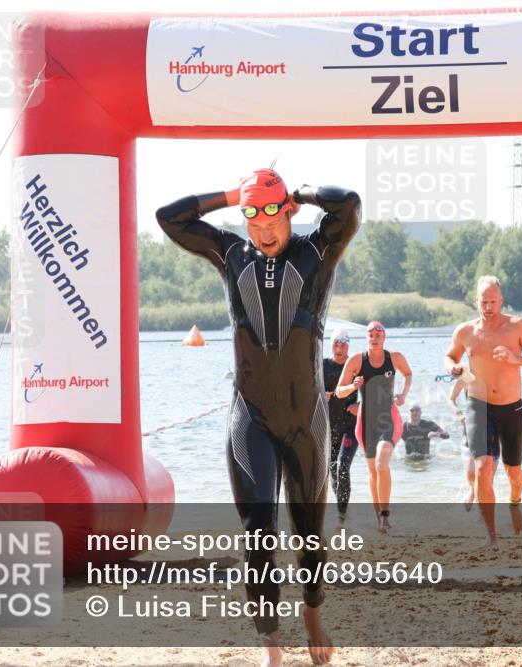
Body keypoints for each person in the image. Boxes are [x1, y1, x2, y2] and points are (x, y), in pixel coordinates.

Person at [156, 168, 359, 667]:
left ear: (287, 213)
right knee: (258, 529)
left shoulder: (316, 252)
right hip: (251, 417)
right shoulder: (230, 253)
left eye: (272, 218)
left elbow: (347, 204)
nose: (264, 232)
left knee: (309, 534)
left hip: (306, 419)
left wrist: (300, 193)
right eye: (252, 220)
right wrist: (233, 194)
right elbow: (170, 217)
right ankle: (270, 641)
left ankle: (313, 617)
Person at [444, 276, 522, 547]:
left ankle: (514, 504)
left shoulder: (518, 327)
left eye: (493, 301)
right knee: (482, 468)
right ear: (476, 301)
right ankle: (490, 535)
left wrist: (517, 359)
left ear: (501, 300)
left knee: (513, 472)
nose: (488, 306)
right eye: (483, 301)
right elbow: (450, 356)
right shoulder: (465, 331)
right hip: (478, 406)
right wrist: (451, 368)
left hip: (511, 409)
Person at [335, 321, 412, 533]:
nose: (374, 337)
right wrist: (353, 385)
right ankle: (379, 520)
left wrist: (403, 395)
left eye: (378, 333)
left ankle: (386, 516)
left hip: (388, 417)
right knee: (373, 472)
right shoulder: (357, 360)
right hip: (365, 422)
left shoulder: (394, 358)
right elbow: (340, 391)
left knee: (382, 461)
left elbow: (408, 374)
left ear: (384, 337)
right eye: (370, 333)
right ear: (366, 338)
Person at [448, 377, 498, 512]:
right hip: (472, 427)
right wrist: (459, 414)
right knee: (471, 474)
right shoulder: (466, 376)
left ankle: (485, 516)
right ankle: (473, 491)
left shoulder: (497, 372)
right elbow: (451, 398)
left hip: (494, 429)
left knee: (486, 478)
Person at [323, 329, 358, 522]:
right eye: (336, 344)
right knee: (333, 471)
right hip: (329, 428)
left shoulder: (355, 365)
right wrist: (320, 394)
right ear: (331, 345)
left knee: (343, 467)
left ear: (348, 346)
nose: (339, 348)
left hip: (350, 427)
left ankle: (342, 516)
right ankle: (342, 512)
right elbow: (306, 388)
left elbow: (374, 391)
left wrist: (360, 405)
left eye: (343, 344)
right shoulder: (322, 365)